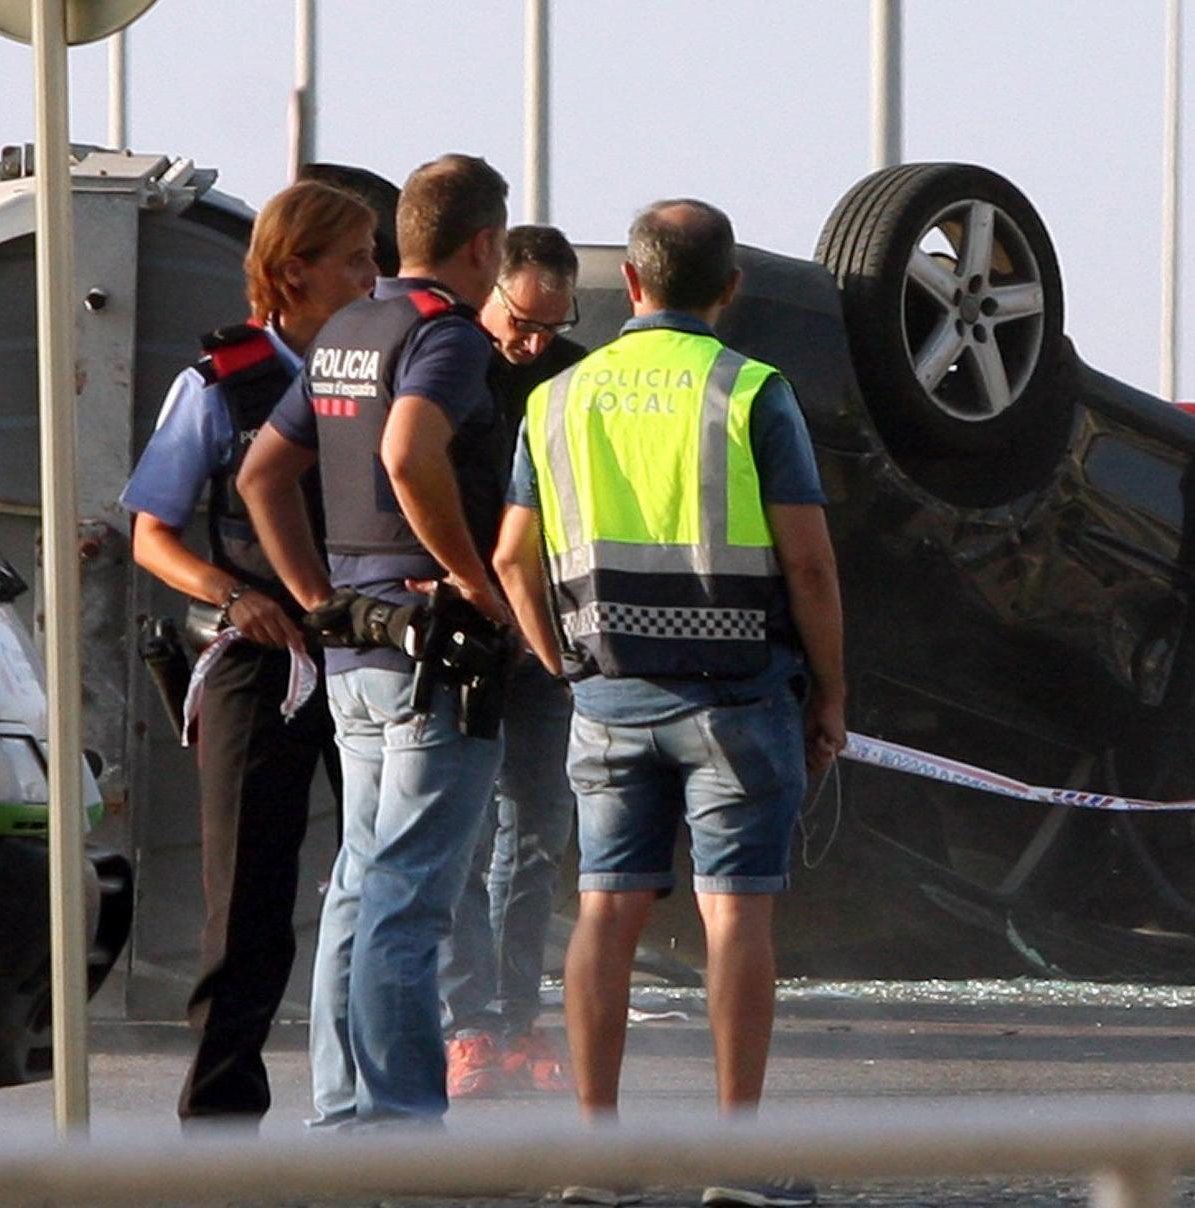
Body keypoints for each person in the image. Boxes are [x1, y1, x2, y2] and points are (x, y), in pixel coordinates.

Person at [495, 199, 845, 1208]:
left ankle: (595, 1157)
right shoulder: (750, 392)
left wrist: (557, 657)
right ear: (729, 290)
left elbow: (512, 555)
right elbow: (810, 566)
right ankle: (737, 1158)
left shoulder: (558, 396)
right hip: (738, 695)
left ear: (633, 285)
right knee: (736, 914)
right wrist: (833, 688)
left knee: (605, 908)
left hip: (607, 693)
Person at [237, 153, 514, 1128]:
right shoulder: (446, 334)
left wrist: (317, 592)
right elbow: (408, 450)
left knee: (359, 882)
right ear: (483, 245)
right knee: (409, 894)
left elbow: (264, 474)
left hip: (354, 647)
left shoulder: (348, 328)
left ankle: (347, 1112)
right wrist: (477, 582)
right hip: (430, 657)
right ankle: (400, 1126)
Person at [119, 179, 377, 1128]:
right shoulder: (217, 384)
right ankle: (220, 1118)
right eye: (354, 259)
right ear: (293, 271)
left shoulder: (381, 370)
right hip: (255, 662)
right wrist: (235, 594)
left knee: (383, 880)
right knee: (251, 901)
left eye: (375, 257)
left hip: (367, 654)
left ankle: (370, 1103)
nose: (372, 276)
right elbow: (152, 532)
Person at [439, 226, 588, 1098]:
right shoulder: (450, 358)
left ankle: (519, 1012)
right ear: (488, 289)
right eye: (519, 322)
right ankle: (470, 1025)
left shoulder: (573, 373)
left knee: (538, 829)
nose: (530, 343)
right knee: (462, 833)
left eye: (548, 327)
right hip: (463, 623)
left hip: (545, 630)